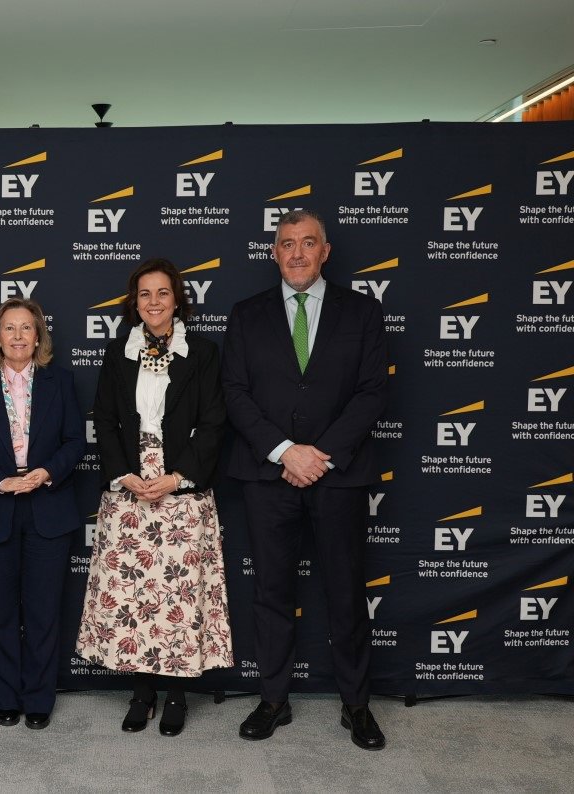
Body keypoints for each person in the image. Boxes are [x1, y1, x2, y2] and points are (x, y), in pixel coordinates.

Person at [221, 209, 389, 750]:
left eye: (308, 243)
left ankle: (356, 704)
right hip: (268, 475)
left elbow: (372, 392)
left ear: (326, 251)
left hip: (338, 477)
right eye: (287, 243)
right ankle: (273, 700)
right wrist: (285, 452)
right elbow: (235, 393)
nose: (297, 253)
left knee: (346, 592)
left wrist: (322, 456)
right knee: (271, 592)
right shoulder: (246, 315)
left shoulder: (362, 312)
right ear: (274, 253)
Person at [75, 258, 232, 737]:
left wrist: (177, 476)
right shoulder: (117, 351)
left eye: (163, 293)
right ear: (134, 302)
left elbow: (214, 423)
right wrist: (124, 474)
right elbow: (104, 420)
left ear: (177, 300)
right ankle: (142, 693)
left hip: (181, 488)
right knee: (133, 594)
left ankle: (177, 695)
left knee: (178, 596)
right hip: (129, 489)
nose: (154, 302)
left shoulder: (202, 352)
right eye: (145, 294)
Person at [0, 299, 85, 730]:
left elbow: (75, 441)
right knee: (3, 612)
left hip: (49, 505)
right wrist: (1, 481)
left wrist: (47, 472)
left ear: (38, 336)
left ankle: (39, 699)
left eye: (26, 328)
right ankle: (7, 697)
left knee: (44, 612)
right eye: (9, 328)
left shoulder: (61, 382)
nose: (17, 336)